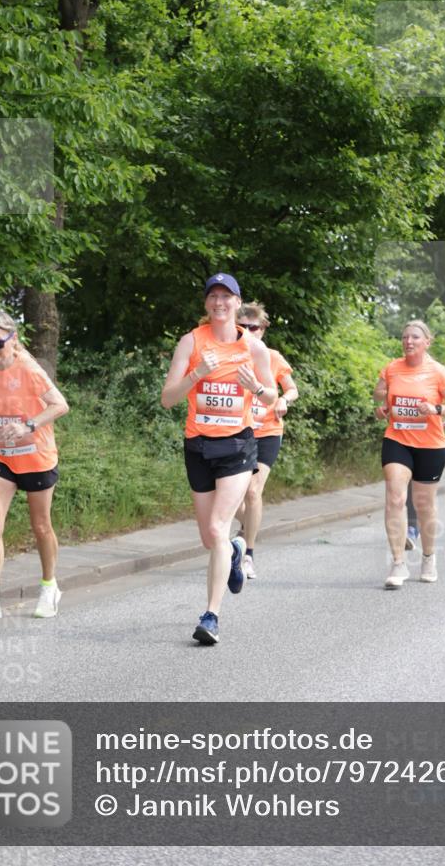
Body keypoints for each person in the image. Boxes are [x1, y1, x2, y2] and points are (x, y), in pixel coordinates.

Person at [161, 273, 276, 644]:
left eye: (227, 297)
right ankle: (237, 550)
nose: (219, 302)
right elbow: (168, 398)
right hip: (198, 445)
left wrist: (255, 387)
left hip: (238, 446)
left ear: (237, 303)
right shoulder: (191, 342)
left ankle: (211, 616)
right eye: (213, 296)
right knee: (210, 539)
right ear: (206, 303)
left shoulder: (253, 348)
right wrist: (197, 373)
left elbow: (272, 397)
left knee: (217, 527)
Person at [0, 310, 69, 619]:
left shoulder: (30, 369)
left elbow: (60, 405)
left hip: (36, 455)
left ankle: (49, 587)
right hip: (1, 453)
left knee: (41, 526)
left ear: (13, 339)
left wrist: (28, 425)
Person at [373, 320, 445, 589]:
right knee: (395, 497)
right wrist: (382, 408)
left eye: (415, 337)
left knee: (424, 504)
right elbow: (379, 394)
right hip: (397, 440)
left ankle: (429, 558)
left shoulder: (438, 372)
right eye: (405, 337)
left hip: (430, 445)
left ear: (427, 342)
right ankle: (398, 563)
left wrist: (437, 409)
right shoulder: (392, 368)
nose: (408, 341)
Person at [233, 302, 299, 579]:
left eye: (254, 327)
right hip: (237, 432)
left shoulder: (272, 357)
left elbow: (292, 389)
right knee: (231, 495)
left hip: (268, 432)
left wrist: (283, 400)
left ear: (263, 329)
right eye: (243, 327)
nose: (249, 332)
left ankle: (248, 554)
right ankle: (249, 526)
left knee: (252, 491)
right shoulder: (229, 355)